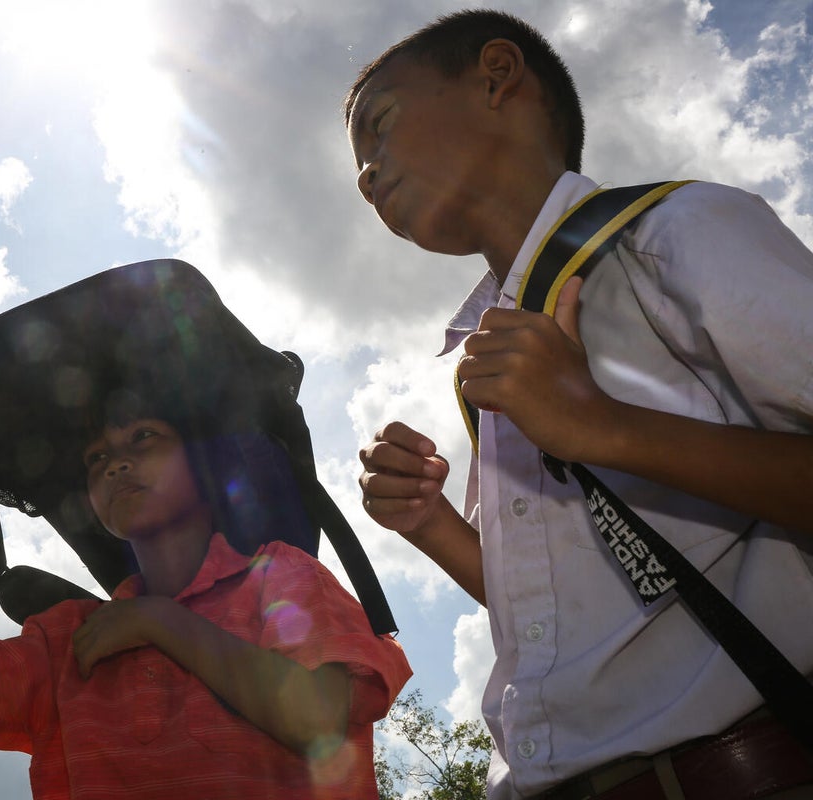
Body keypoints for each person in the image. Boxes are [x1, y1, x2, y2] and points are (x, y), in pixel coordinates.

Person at [344, 9, 813, 800]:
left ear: (497, 76)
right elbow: (553, 619)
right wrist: (432, 527)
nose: (367, 176)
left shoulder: (669, 234)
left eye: (380, 126)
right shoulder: (488, 362)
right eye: (358, 172)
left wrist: (603, 427)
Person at [0, 388, 411, 800]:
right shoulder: (67, 638)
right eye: (96, 459)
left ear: (203, 468)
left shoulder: (280, 578)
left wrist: (162, 622)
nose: (114, 463)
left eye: (144, 438)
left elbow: (317, 721)